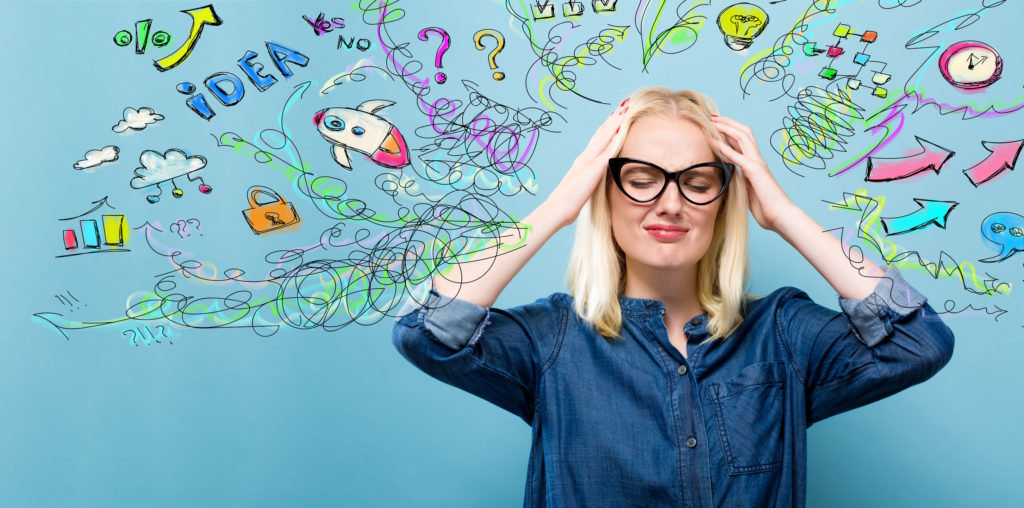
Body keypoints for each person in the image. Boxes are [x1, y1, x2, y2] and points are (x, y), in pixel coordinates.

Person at [391, 87, 954, 507]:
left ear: (722, 199)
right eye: (640, 178)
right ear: (603, 191)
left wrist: (784, 215)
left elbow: (918, 343)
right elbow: (428, 328)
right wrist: (557, 208)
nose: (669, 203)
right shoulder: (553, 340)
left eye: (698, 181)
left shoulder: (782, 331)